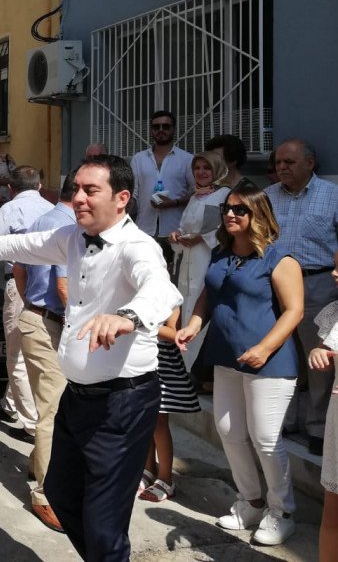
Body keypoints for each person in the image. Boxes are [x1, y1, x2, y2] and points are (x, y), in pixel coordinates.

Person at [0, 154, 182, 559]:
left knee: (103, 521)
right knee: (61, 495)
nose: (78, 197)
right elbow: (14, 243)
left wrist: (126, 317)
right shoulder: (71, 238)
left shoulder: (138, 246)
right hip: (77, 398)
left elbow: (161, 290)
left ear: (122, 198)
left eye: (90, 190)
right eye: (76, 188)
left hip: (123, 402)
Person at [175, 185, 303, 546]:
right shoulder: (220, 253)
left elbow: (294, 310)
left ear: (257, 216)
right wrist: (194, 324)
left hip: (270, 362)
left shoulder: (280, 258)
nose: (231, 215)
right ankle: (251, 501)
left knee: (265, 438)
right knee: (229, 430)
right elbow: (206, 297)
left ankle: (283, 511)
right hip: (226, 358)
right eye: (227, 209)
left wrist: (264, 348)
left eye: (240, 210)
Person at [265, 138, 338, 455]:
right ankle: (285, 420)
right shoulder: (268, 196)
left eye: (289, 162)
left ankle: (318, 428)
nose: (281, 168)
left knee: (317, 359)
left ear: (310, 163)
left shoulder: (332, 196)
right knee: (282, 355)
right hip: (274, 286)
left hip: (317, 284)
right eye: (278, 163)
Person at [17, 171, 77, 531]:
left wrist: (30, 306)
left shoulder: (44, 218)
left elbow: (20, 271)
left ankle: (37, 460)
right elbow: (65, 287)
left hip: (39, 317)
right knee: (53, 409)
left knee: (53, 404)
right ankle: (45, 494)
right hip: (51, 321)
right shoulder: (66, 227)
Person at [0, 166, 52, 436]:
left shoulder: (10, 209)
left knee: (16, 355)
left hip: (21, 282)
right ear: (38, 186)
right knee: (39, 347)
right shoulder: (53, 208)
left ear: (11, 189)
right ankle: (11, 402)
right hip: (52, 283)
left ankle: (31, 425)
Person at [169, 150, 231, 367]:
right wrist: (176, 235)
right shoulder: (196, 196)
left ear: (216, 170)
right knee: (186, 305)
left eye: (207, 168)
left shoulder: (222, 195)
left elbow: (216, 228)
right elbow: (186, 227)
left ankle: (199, 367)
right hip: (187, 260)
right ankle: (187, 364)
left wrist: (199, 238)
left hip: (207, 259)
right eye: (197, 168)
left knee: (201, 308)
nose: (201, 172)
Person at [138, 303, 200, 504]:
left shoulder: (167, 293)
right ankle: (148, 469)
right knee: (143, 420)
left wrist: (134, 322)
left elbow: (173, 331)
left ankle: (166, 478)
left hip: (162, 365)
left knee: (158, 423)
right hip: (141, 362)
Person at [130, 110, 194, 264]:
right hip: (145, 229)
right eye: (156, 127)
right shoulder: (139, 159)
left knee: (174, 277)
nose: (161, 130)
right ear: (151, 130)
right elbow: (133, 193)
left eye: (166, 126)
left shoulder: (187, 159)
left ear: (173, 129)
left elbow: (196, 193)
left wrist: (174, 202)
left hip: (175, 230)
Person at [306, 252, 338, 560]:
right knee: (333, 509)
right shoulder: (334, 313)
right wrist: (318, 354)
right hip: (337, 425)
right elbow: (323, 349)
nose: (334, 273)